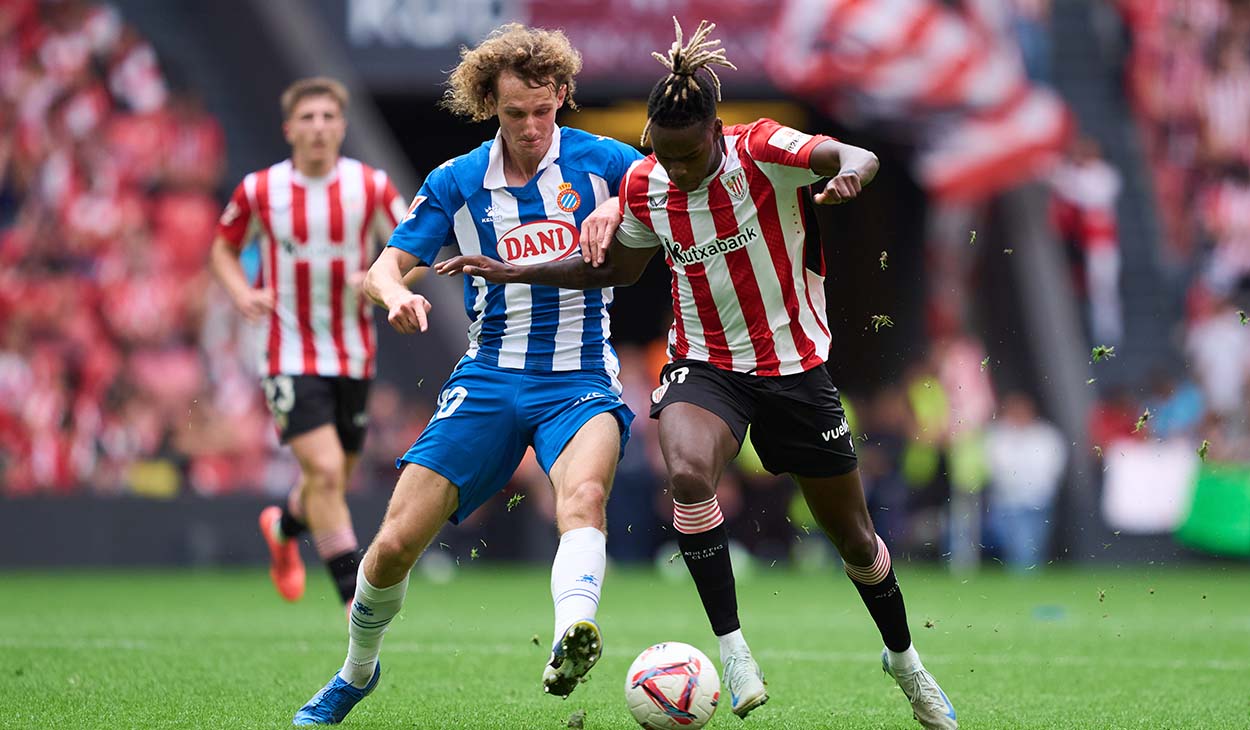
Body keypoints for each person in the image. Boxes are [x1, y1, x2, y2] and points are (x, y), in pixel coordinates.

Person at [438, 19, 959, 729]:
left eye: (689, 157)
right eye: (665, 156)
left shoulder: (766, 148)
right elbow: (616, 268)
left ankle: (905, 662)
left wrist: (850, 177)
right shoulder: (649, 182)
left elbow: (854, 153)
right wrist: (511, 268)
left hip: (794, 366)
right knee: (686, 474)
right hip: (705, 363)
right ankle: (734, 647)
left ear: (718, 132)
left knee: (858, 544)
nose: (676, 171)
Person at [292, 25, 641, 725]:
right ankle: (357, 671)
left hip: (578, 379)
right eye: (516, 114)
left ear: (562, 97)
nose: (534, 127)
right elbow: (383, 268)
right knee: (391, 548)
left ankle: (574, 631)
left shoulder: (605, 161)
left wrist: (620, 203)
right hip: (487, 379)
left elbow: (669, 183)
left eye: (544, 111)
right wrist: (397, 297)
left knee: (585, 495)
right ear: (490, 105)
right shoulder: (455, 181)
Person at [210, 77, 408, 611]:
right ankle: (352, 601)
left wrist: (377, 276)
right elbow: (223, 250)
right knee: (323, 472)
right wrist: (242, 294)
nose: (318, 127)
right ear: (289, 129)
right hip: (286, 350)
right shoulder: (260, 190)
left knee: (331, 482)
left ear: (342, 127)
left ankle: (284, 528)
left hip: (353, 352)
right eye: (308, 118)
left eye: (328, 117)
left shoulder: (369, 186)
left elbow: (413, 245)